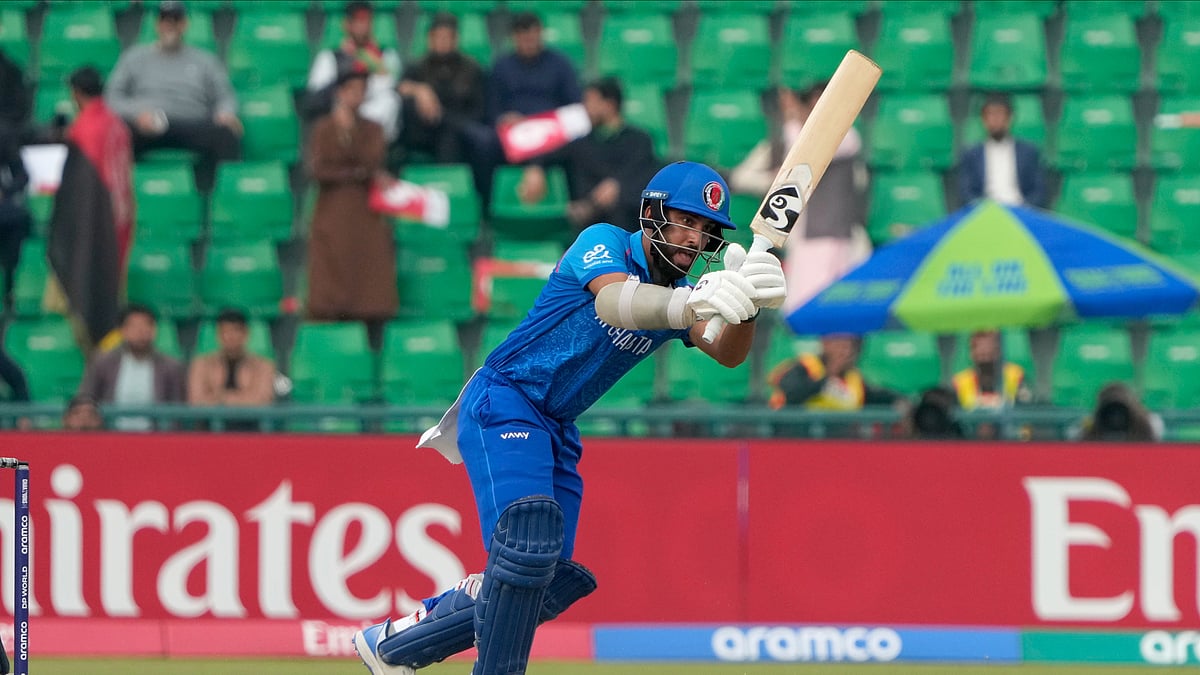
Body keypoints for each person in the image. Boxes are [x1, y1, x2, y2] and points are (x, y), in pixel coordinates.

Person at [352, 161, 786, 675]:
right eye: (685, 222)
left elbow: (726, 352)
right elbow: (618, 302)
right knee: (527, 546)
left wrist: (748, 309)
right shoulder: (602, 243)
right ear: (651, 213)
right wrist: (693, 301)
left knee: (548, 577)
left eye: (706, 231)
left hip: (556, 426)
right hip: (506, 398)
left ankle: (395, 646)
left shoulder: (680, 296)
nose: (695, 239)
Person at [731, 82, 870, 313]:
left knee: (845, 313)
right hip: (805, 242)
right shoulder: (785, 141)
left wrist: (793, 115)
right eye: (815, 103)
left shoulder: (847, 137)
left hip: (842, 240)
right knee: (803, 312)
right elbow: (740, 178)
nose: (822, 111)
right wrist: (773, 181)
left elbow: (818, 141)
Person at [305, 59, 398, 335]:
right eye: (351, 89)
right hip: (333, 211)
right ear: (340, 93)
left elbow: (371, 161)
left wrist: (351, 165)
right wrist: (356, 169)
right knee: (332, 277)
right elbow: (319, 169)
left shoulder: (373, 128)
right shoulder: (323, 128)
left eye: (361, 89)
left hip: (365, 212)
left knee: (367, 275)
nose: (356, 95)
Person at [105, 1, 241, 168]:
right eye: (164, 19)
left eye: (176, 19)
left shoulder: (205, 60)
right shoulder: (134, 58)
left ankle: (223, 192)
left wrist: (225, 113)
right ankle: (117, 192)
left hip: (191, 123)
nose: (170, 25)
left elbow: (225, 95)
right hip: (148, 124)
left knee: (226, 135)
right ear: (157, 24)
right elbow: (112, 97)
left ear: (184, 24)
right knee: (118, 133)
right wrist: (136, 113)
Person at [517, 77, 661, 233]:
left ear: (609, 104)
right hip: (586, 226)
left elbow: (642, 175)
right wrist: (536, 167)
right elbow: (548, 154)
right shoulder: (581, 143)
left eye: (591, 101)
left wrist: (618, 187)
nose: (585, 108)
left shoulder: (640, 140)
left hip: (626, 222)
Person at [466, 11, 582, 199]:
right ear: (514, 38)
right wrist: (502, 118)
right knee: (483, 143)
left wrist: (544, 123)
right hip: (513, 132)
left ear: (540, 35)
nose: (528, 42)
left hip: (550, 132)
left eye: (533, 36)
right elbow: (491, 106)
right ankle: (486, 206)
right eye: (523, 37)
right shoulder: (502, 66)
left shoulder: (560, 64)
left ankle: (573, 206)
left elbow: (574, 106)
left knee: (579, 144)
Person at [64, 66, 134, 272]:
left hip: (96, 216)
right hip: (122, 213)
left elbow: (87, 177)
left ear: (75, 93)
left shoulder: (84, 128)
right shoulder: (117, 124)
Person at [77, 303, 185, 431]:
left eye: (147, 325)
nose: (141, 332)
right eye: (134, 326)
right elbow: (86, 397)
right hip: (110, 435)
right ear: (122, 330)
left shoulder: (170, 367)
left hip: (155, 437)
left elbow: (177, 410)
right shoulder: (103, 362)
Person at [306, 0, 403, 142]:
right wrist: (345, 78)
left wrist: (373, 64)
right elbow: (313, 100)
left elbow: (396, 89)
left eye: (366, 21)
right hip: (340, 119)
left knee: (390, 101)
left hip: (376, 124)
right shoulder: (329, 57)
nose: (363, 26)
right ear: (347, 24)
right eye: (358, 21)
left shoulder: (386, 55)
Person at [397, 12, 486, 165]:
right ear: (429, 39)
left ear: (456, 38)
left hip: (460, 126)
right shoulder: (417, 66)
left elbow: (479, 108)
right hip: (425, 130)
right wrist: (419, 90)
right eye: (438, 37)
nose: (442, 42)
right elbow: (399, 88)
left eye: (447, 37)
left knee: (469, 138)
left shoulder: (471, 68)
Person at [187, 307, 276, 430]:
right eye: (225, 331)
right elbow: (196, 401)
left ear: (245, 333)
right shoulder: (202, 364)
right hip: (208, 432)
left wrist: (223, 398)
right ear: (218, 334)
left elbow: (262, 401)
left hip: (250, 430)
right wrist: (241, 399)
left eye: (235, 331)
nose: (230, 337)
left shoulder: (263, 366)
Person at [767, 334, 902, 410]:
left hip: (837, 441)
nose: (846, 351)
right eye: (840, 345)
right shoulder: (805, 366)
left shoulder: (853, 378)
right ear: (826, 344)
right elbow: (792, 394)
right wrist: (827, 379)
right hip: (796, 437)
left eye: (850, 347)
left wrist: (900, 400)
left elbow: (876, 396)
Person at [957, 92, 1046, 208]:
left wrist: (1025, 208)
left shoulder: (1028, 152)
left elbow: (1038, 191)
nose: (995, 120)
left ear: (1010, 118)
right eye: (990, 115)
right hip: (985, 214)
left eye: (999, 114)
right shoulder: (971, 153)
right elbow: (966, 192)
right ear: (983, 120)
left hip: (1021, 211)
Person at [952, 330, 1030, 411]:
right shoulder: (961, 381)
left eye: (990, 353)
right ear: (972, 353)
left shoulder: (1015, 375)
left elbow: (1026, 406)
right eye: (982, 354)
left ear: (998, 351)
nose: (986, 359)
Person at [0, 128, 31, 313]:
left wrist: (5, 192)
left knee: (17, 217)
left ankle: (9, 291)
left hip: (6, 214)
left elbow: (23, 175)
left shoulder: (3, 137)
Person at [1081, 382, 1163, 442]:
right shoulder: (1089, 422)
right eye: (1111, 410)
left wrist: (1140, 421)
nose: (1115, 417)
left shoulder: (1151, 421)